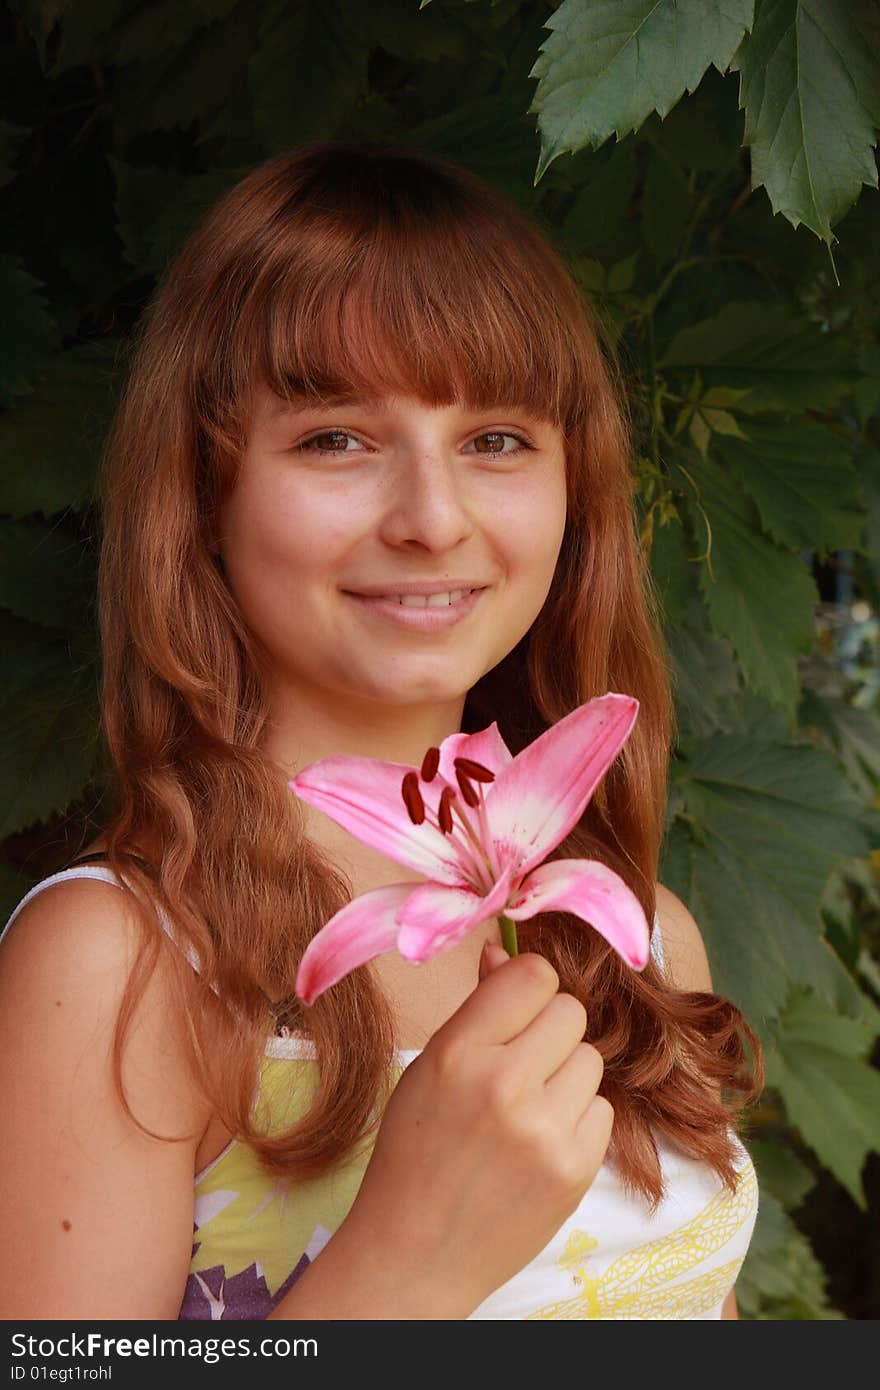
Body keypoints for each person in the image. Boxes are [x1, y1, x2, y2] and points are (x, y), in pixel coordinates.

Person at [0, 141, 762, 1321]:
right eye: (335, 438)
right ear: (204, 496)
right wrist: (408, 1262)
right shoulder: (122, 964)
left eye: (496, 438)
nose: (430, 518)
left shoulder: (639, 936)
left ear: (576, 486)